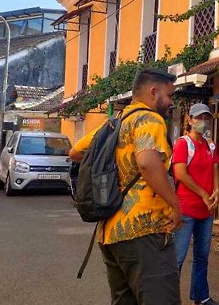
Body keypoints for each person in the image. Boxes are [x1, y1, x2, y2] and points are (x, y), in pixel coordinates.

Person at [69, 68, 181, 305]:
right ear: (153, 92)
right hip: (145, 230)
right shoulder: (150, 119)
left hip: (111, 233)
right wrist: (175, 204)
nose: (171, 102)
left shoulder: (114, 123)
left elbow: (76, 151)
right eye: (169, 95)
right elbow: (147, 162)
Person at [172, 103, 219, 305]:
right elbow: (180, 173)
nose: (203, 122)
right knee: (177, 258)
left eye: (206, 118)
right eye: (199, 118)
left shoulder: (210, 145)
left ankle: (201, 297)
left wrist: (216, 191)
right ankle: (169, 299)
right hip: (186, 209)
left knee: (202, 256)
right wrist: (203, 193)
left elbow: (215, 169)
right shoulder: (183, 144)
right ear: (190, 120)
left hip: (206, 210)